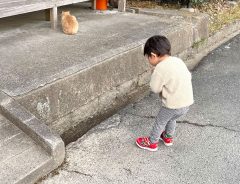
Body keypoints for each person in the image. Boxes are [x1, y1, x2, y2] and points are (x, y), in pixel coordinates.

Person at [136, 35, 194, 151]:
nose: (148, 60)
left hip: (172, 105)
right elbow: (188, 75)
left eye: (148, 57)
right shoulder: (178, 60)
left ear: (153, 55)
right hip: (187, 103)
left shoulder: (160, 68)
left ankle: (152, 142)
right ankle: (168, 137)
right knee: (172, 119)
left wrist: (154, 74)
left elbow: (155, 88)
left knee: (160, 122)